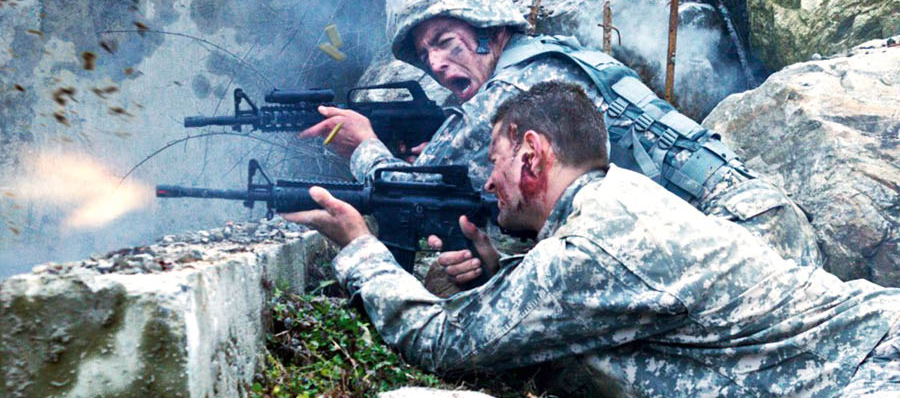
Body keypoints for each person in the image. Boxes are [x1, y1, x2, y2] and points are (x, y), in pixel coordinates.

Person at [283, 82, 900, 397]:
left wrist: (359, 247)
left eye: (495, 163)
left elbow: (440, 342)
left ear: (532, 155)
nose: (489, 183)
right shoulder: (618, 197)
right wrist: (507, 277)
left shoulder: (590, 249)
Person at [299, 0, 821, 277]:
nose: (435, 64)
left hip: (743, 236)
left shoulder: (514, 85)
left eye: (444, 42)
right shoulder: (542, 60)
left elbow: (403, 190)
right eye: (424, 53)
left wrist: (362, 144)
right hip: (753, 219)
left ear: (488, 30)